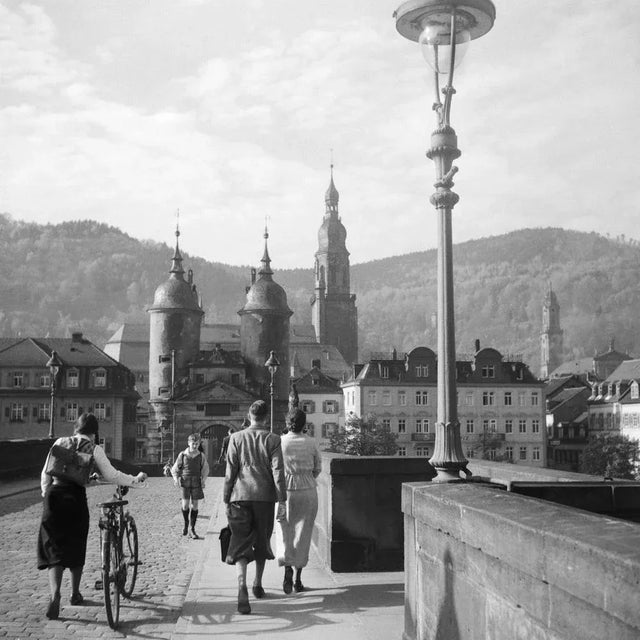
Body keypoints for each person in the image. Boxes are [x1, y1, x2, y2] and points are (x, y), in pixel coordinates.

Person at [37, 413, 147, 620]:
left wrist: (47, 495)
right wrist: (134, 479)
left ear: (75, 429)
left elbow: (46, 473)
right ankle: (75, 593)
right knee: (76, 544)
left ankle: (55, 594)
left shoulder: (61, 442)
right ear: (95, 433)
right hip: (74, 497)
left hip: (54, 496)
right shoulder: (94, 449)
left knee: (54, 545)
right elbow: (112, 475)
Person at [223, 400, 286, 615]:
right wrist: (282, 500)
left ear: (249, 417)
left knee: (240, 543)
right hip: (264, 498)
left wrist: (225, 497)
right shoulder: (273, 439)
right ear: (266, 418)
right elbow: (278, 472)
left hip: (239, 496)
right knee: (261, 540)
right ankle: (258, 584)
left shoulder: (235, 438)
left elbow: (230, 472)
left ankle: (242, 586)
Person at [276, 408, 322, 594]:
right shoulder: (311, 442)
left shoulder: (279, 442)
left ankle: (286, 568)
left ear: (288, 423)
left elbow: (275, 467)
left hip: (284, 490)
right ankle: (298, 578)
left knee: (284, 531)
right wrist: (307, 477)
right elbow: (318, 467)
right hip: (307, 490)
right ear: (304, 424)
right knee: (304, 534)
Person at [171, 432, 209, 539]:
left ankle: (192, 529)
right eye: (193, 443)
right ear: (189, 443)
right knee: (185, 506)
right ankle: (186, 525)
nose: (195, 445)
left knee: (195, 506)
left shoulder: (201, 456)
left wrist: (203, 480)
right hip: (185, 482)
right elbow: (174, 469)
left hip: (196, 482)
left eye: (197, 443)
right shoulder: (182, 455)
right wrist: (175, 479)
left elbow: (205, 469)